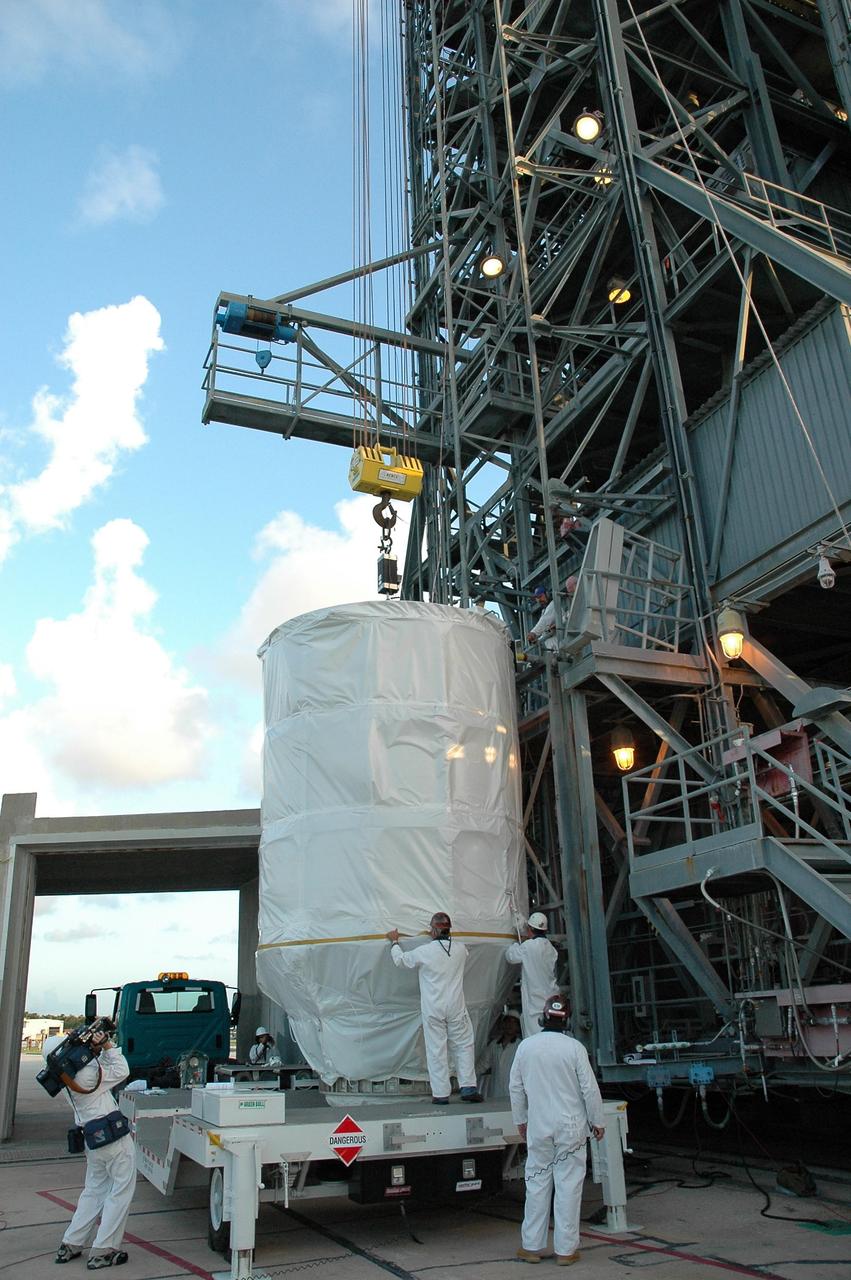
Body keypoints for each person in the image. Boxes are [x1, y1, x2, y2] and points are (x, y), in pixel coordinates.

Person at [509, 995, 605, 1266]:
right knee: (569, 1186)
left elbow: (515, 1087)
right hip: (570, 1126)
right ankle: (566, 1250)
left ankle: (531, 1247)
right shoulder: (574, 1048)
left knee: (537, 1183)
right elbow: (589, 1089)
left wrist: (521, 1119)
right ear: (567, 1020)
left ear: (543, 1017)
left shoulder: (526, 1047)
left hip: (539, 1124)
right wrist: (597, 1121)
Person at [46, 1030, 136, 1269]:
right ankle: (104, 1249)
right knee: (120, 1191)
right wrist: (107, 1045)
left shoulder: (63, 1077)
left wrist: (94, 1051)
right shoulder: (86, 1074)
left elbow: (102, 1073)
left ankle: (72, 1242)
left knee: (93, 1191)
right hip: (114, 1139)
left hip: (92, 1141)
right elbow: (121, 1070)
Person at [386, 911, 482, 1105]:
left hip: (433, 1008)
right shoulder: (460, 950)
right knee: (463, 1045)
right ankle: (468, 1087)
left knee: (436, 1049)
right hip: (455, 1006)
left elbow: (401, 960)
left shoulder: (425, 952)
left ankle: (440, 1094)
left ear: (433, 931)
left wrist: (394, 942)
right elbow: (457, 951)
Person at [506, 911, 559, 1039]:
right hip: (550, 999)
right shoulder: (551, 949)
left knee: (535, 1037)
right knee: (550, 1036)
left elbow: (510, 956)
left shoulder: (528, 947)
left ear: (530, 929)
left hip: (534, 1003)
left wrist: (515, 944)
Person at [479, 1011, 521, 1099]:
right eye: (508, 1021)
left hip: (513, 1094)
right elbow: (482, 1065)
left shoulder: (520, 1045)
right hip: (495, 1093)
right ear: (503, 1024)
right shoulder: (494, 1045)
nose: (510, 1025)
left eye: (514, 1022)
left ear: (518, 1027)